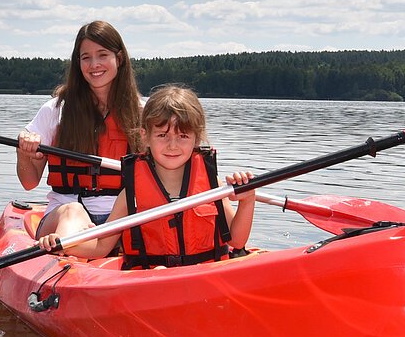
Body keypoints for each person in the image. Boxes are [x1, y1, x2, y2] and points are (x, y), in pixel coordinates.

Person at [38, 84, 256, 267]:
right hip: (150, 279)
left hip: (203, 277)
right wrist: (61, 243)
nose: (172, 145)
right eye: (162, 135)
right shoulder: (130, 195)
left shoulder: (211, 185)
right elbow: (101, 247)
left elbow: (237, 240)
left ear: (196, 139)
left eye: (183, 136)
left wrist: (247, 200)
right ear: (146, 136)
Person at [16, 20, 143, 241]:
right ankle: (69, 260)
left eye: (102, 55)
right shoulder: (55, 110)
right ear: (78, 62)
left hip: (122, 218)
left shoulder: (143, 113)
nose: (94, 64)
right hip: (65, 214)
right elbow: (29, 182)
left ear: (119, 59)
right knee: (73, 211)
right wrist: (24, 152)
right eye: (86, 57)